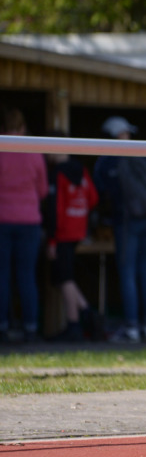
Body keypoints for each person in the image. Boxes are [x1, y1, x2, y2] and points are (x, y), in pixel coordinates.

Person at [93, 116, 146, 343]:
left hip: (127, 221)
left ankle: (132, 327)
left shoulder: (106, 160)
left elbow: (99, 194)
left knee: (128, 272)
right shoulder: (143, 150)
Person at [44, 135, 104, 342]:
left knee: (65, 278)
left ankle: (75, 323)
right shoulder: (82, 170)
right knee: (63, 276)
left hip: (62, 233)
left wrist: (52, 240)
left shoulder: (57, 174)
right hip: (78, 230)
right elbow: (93, 198)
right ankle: (87, 315)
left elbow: (55, 210)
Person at [0, 107, 48, 343]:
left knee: (2, 275)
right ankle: (30, 328)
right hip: (29, 221)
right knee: (26, 275)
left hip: (2, 220)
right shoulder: (33, 151)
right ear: (23, 127)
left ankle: (2, 327)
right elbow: (43, 190)